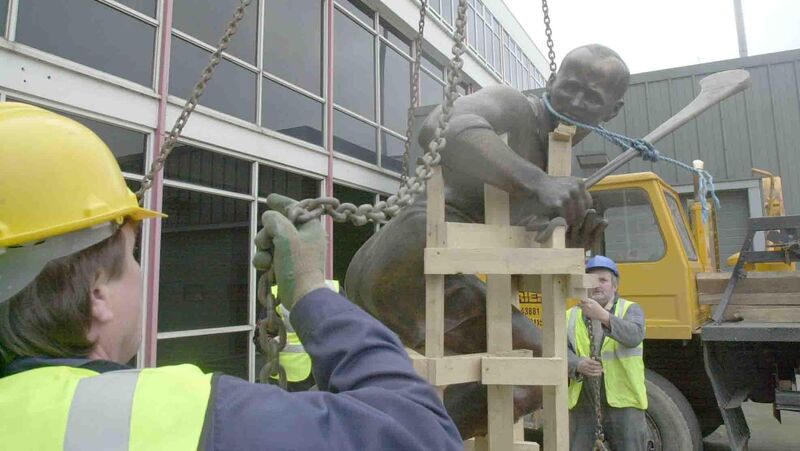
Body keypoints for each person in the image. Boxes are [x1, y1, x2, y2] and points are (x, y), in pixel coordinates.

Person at [0, 102, 462, 450]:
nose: (141, 273)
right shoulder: (168, 417)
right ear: (97, 294)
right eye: (133, 256)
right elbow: (421, 435)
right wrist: (309, 291)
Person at [344, 44, 630, 438]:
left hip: (439, 278)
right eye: (569, 86)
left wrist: (570, 244)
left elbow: (526, 262)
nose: (576, 101)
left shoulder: (560, 166)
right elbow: (440, 128)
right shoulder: (513, 108)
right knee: (536, 366)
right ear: (551, 82)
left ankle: (402, 438)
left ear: (611, 111)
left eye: (592, 97)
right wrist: (538, 182)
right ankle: (402, 441)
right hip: (408, 265)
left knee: (539, 368)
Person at [567, 255, 647, 451]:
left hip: (624, 403)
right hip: (584, 405)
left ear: (614, 286)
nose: (597, 286)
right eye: (592, 281)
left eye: (603, 280)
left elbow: (634, 335)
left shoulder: (630, 309)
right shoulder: (569, 316)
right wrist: (577, 364)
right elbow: (558, 350)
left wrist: (603, 316)